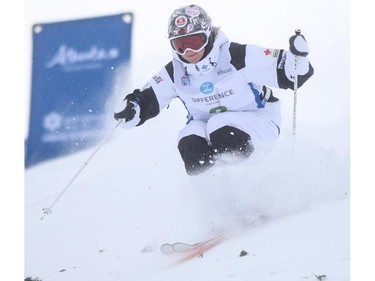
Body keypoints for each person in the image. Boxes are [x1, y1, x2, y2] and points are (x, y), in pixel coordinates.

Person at [114, 4, 314, 175]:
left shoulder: (235, 56)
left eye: (194, 42)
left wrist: (298, 59)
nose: (188, 52)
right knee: (189, 140)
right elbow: (148, 99)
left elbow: (288, 74)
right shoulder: (175, 72)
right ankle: (217, 203)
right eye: (180, 45)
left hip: (258, 119)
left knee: (220, 127)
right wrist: (133, 108)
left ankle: (255, 189)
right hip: (208, 125)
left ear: (208, 35)